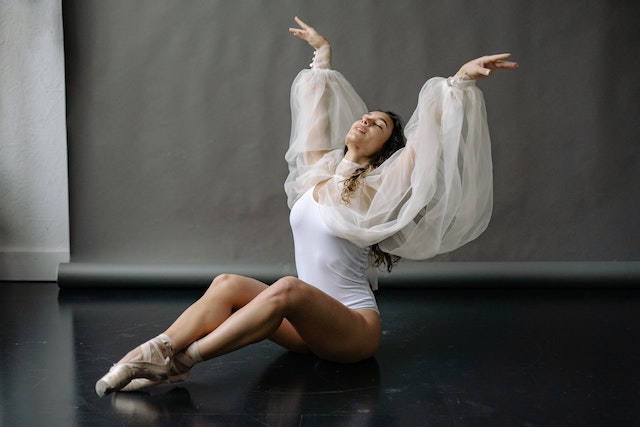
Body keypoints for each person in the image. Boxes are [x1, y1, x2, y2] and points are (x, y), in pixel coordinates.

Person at [95, 17, 517, 397]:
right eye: (365, 116)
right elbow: (314, 117)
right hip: (305, 328)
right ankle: (156, 350)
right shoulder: (318, 175)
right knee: (227, 283)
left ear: (385, 151)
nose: (364, 121)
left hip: (352, 330)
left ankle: (181, 363)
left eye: (378, 124)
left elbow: (425, 142)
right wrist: (323, 57)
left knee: (288, 288)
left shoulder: (381, 188)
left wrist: (460, 80)